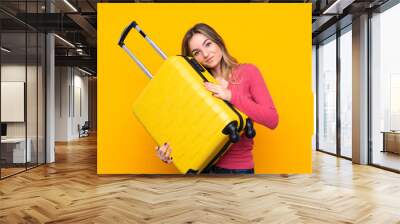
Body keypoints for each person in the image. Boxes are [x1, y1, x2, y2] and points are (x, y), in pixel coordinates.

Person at [155, 23, 279, 174]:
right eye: (197, 52)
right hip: (201, 168)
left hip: (238, 170)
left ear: (218, 42)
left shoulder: (248, 72)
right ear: (192, 59)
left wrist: (230, 95)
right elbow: (186, 128)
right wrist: (168, 151)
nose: (206, 54)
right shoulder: (195, 86)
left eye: (208, 44)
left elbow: (272, 119)